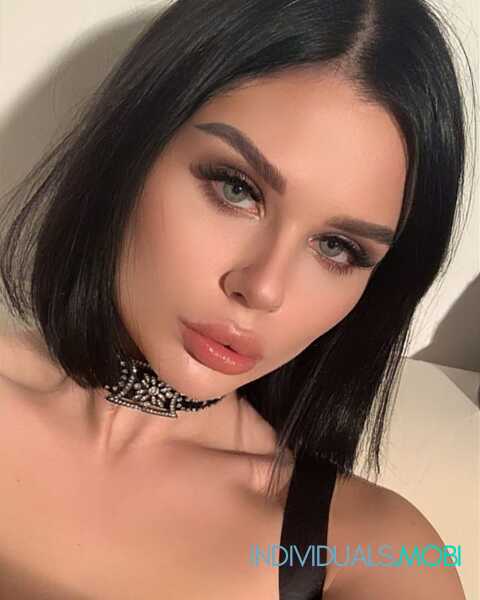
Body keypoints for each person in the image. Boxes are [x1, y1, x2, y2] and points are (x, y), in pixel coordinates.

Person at [0, 0, 473, 598]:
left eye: (337, 247)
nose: (264, 288)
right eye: (236, 189)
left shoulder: (374, 551)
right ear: (130, 150)